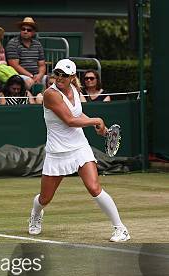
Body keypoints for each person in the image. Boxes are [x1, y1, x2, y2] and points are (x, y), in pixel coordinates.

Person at [28, 59, 130, 242]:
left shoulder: (75, 90)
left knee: (94, 187)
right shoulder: (51, 94)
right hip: (57, 152)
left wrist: (98, 127)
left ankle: (120, 229)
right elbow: (70, 120)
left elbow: (77, 115)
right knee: (45, 198)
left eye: (64, 75)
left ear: (72, 77)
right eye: (57, 73)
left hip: (79, 147)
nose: (59, 77)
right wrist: (97, 120)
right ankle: (36, 214)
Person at [5, 17, 46, 91]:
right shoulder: (13, 43)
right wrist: (30, 76)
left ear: (33, 32)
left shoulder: (38, 44)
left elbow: (42, 65)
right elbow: (14, 65)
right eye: (23, 29)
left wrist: (39, 76)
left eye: (29, 30)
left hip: (37, 75)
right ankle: (36, 101)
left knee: (51, 80)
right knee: (30, 82)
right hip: (19, 75)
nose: (25, 31)